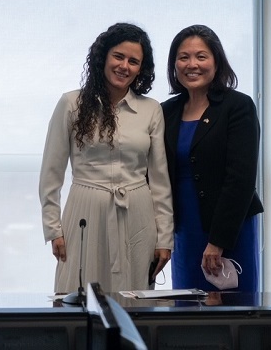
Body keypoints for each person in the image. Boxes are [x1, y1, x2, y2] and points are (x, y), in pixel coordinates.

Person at [39, 22, 173, 294]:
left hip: (137, 212)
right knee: (78, 293)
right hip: (85, 210)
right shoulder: (71, 104)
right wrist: (53, 229)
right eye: (119, 56)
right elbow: (51, 174)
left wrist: (164, 238)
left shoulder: (151, 110)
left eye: (134, 61)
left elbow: (159, 181)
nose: (125, 66)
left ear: (141, 69)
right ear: (104, 57)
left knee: (135, 297)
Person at [161, 24, 264, 292]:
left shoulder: (237, 107)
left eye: (201, 56)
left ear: (217, 62)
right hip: (184, 231)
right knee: (186, 306)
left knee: (232, 312)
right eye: (183, 57)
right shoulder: (166, 111)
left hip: (229, 231)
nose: (192, 64)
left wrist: (218, 241)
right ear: (174, 65)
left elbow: (241, 179)